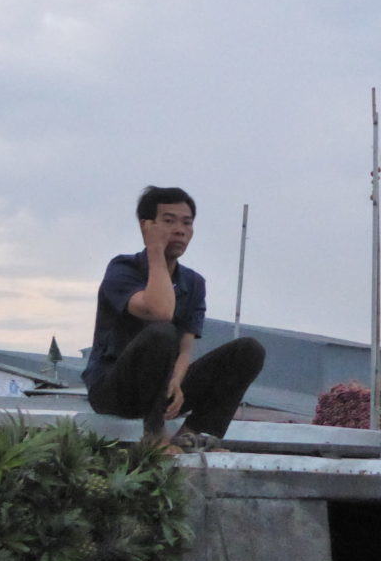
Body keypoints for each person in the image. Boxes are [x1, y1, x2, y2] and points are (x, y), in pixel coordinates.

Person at [82, 186, 265, 450]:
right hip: (115, 388)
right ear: (147, 226)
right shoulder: (123, 269)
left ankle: (194, 435)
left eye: (186, 222)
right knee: (161, 331)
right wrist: (155, 252)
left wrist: (178, 381)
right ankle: (155, 436)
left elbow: (185, 348)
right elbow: (160, 312)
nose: (179, 230)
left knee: (248, 351)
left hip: (164, 388)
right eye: (168, 221)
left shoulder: (193, 282)